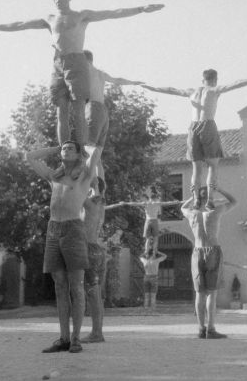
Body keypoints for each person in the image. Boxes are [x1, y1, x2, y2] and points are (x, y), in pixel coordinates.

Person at [0, 0, 164, 147]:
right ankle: (64, 151)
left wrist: (141, 9)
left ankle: (81, 150)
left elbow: (112, 13)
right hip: (58, 63)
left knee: (77, 107)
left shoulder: (81, 16)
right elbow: (20, 24)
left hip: (76, 61)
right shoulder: (50, 19)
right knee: (61, 108)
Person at [143, 70, 247, 209]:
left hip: (193, 127)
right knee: (212, 166)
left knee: (196, 169)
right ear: (215, 79)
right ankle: (210, 199)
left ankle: (195, 199)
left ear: (202, 80)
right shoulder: (214, 90)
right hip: (208, 125)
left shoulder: (192, 92)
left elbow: (171, 90)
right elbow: (235, 84)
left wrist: (152, 88)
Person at [26, 139, 101, 353]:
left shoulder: (84, 174)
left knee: (76, 286)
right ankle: (63, 338)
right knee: (59, 285)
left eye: (70, 149)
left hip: (73, 229)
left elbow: (95, 151)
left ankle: (76, 339)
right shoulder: (54, 176)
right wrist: (58, 148)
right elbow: (29, 157)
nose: (66, 150)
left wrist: (80, 148)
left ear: (78, 154)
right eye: (64, 149)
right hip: (53, 230)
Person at [181, 185, 237, 339]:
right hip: (212, 250)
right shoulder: (216, 211)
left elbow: (182, 207)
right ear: (210, 197)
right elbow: (233, 201)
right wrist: (219, 189)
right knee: (212, 293)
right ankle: (210, 329)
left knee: (200, 293)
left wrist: (193, 196)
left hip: (198, 251)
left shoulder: (192, 213)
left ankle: (200, 328)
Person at [83, 49, 145, 184]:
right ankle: (100, 191)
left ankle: (90, 186)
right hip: (103, 111)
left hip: (92, 108)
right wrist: (133, 82)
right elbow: (117, 80)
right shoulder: (100, 73)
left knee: (88, 148)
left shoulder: (85, 69)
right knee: (97, 156)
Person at [80, 178, 123, 343]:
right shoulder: (100, 206)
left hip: (89, 250)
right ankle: (97, 331)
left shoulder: (93, 203)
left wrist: (91, 183)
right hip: (96, 250)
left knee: (93, 295)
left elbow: (76, 190)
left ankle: (97, 333)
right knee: (95, 295)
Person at [117, 187, 181, 252]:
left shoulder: (146, 203)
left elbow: (134, 204)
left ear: (150, 199)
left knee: (148, 239)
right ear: (155, 199)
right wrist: (175, 202)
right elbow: (167, 203)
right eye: (156, 199)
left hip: (148, 221)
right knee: (155, 238)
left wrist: (125, 203)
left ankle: (146, 252)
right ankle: (154, 251)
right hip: (154, 221)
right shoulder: (156, 203)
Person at [139, 247, 168, 311]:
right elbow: (165, 256)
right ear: (153, 254)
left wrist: (145, 252)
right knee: (153, 294)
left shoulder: (145, 261)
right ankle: (152, 308)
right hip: (154, 278)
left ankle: (146, 307)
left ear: (148, 254)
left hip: (146, 277)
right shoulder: (156, 261)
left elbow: (140, 256)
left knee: (146, 294)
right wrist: (158, 252)